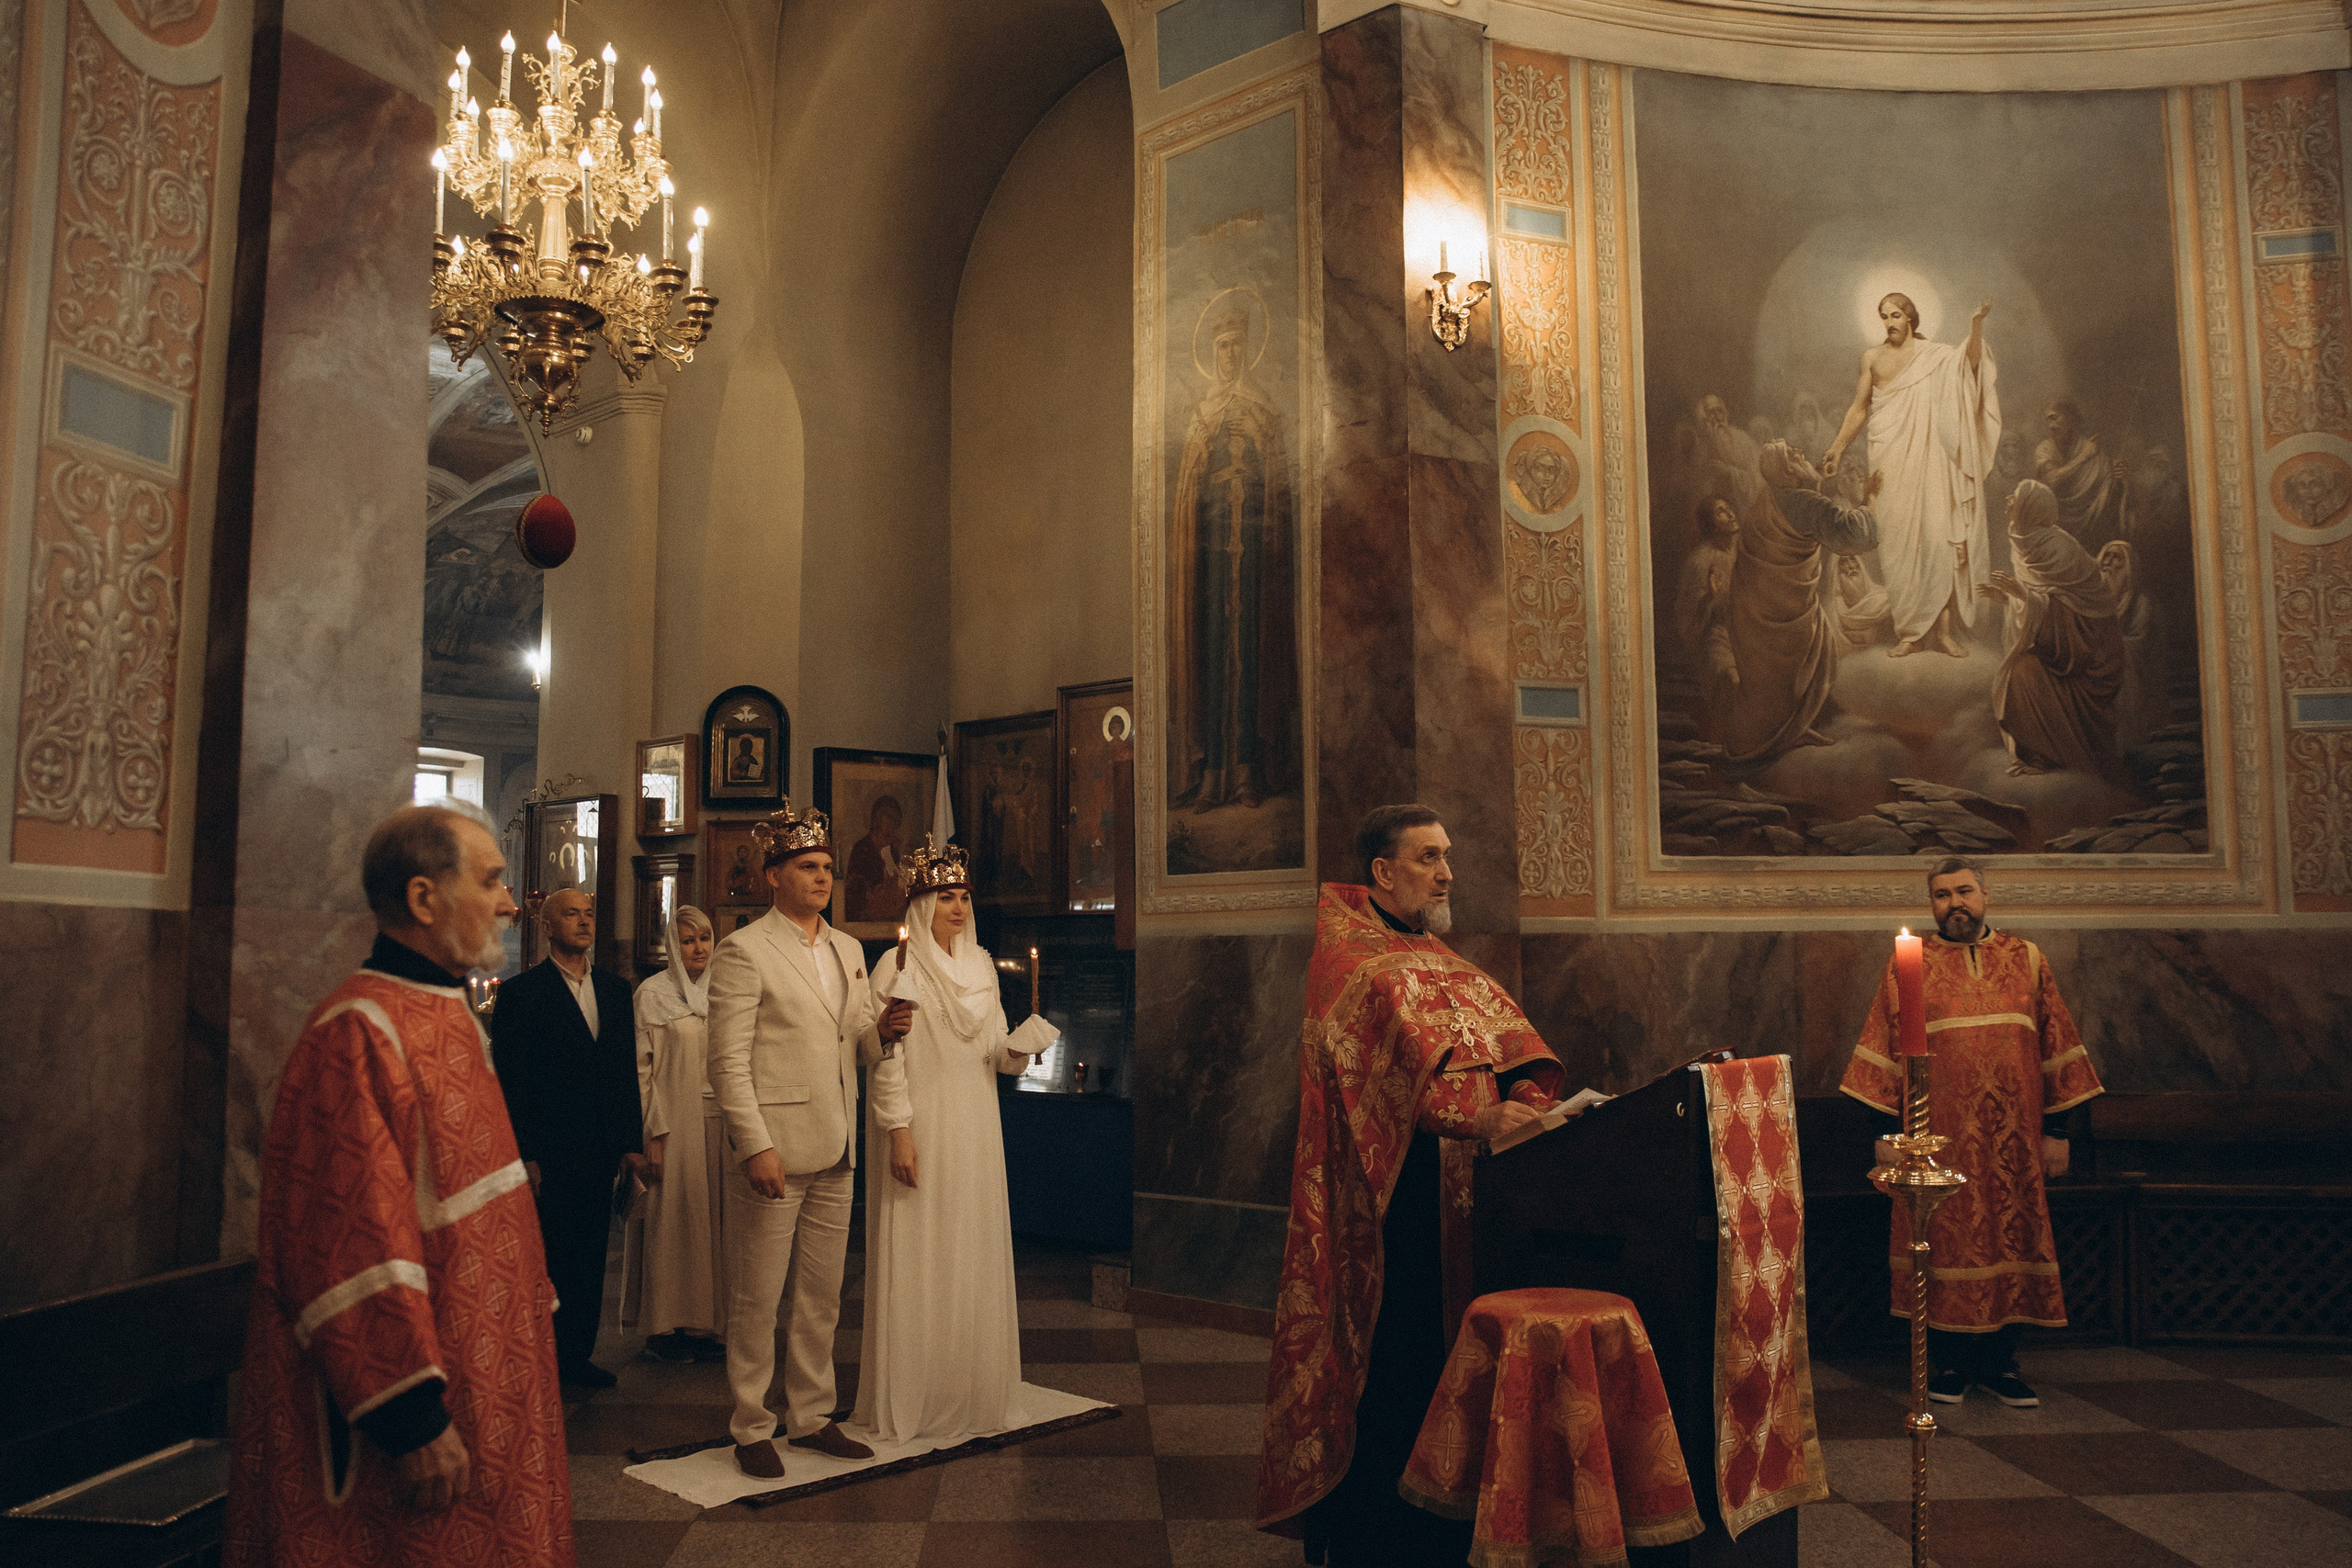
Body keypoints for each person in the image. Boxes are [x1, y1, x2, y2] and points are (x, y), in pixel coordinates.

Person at [226, 805, 572, 1566]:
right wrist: (410, 1416)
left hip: (487, 1381)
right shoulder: (358, 1030)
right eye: (491, 880)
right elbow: (347, 1238)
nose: (510, 902)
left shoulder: (446, 1009)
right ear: (423, 898)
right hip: (416, 1406)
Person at [1258, 806, 1576, 1566]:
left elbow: (1507, 1043)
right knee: (1401, 1358)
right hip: (1390, 1203)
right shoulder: (1350, 960)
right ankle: (1386, 1534)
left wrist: (1526, 1096)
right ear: (1383, 870)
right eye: (1429, 857)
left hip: (1466, 1195)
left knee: (1450, 1350)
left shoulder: (1437, 955)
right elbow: (1385, 1081)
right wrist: (1477, 1116)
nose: (1446, 872)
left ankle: (1450, 1519)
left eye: (1447, 855)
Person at [1839, 858, 2105, 1407]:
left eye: (1964, 891)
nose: (1954, 903)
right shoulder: (1909, 964)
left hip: (2016, 1141)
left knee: (2015, 1234)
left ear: (1986, 895)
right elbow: (1883, 1048)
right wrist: (1885, 1133)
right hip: (1939, 1141)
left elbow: (2057, 1045)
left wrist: (2058, 1132)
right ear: (1932, 904)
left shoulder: (2026, 958)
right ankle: (1950, 1364)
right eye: (1942, 895)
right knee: (1941, 1241)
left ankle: (2002, 1364)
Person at [706, 802, 913, 1478]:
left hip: (837, 1141)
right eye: (807, 866)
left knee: (822, 1294)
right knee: (758, 1294)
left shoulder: (848, 949)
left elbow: (853, 1043)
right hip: (775, 1144)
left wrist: (883, 1032)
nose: (823, 877)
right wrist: (754, 1144)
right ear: (774, 876)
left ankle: (813, 1416)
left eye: (827, 866)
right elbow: (727, 1062)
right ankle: (751, 1423)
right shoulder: (744, 950)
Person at [854, 838, 1046, 1440]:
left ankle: (968, 1385)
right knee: (923, 1246)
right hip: (923, 1120)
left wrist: (1023, 1047)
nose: (958, 908)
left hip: (976, 1123)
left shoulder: (983, 965)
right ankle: (920, 1388)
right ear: (921, 906)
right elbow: (887, 1059)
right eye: (945, 897)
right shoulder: (897, 968)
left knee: (971, 1245)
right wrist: (899, 1131)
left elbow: (994, 1051)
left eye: (964, 897)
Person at [492, 888, 647, 1388]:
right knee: (550, 1256)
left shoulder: (614, 990)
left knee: (591, 1256)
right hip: (550, 1149)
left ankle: (577, 1357)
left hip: (598, 1148)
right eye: (571, 914)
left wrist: (630, 1142)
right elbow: (511, 1081)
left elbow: (623, 1072)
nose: (583, 922)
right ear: (547, 927)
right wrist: (526, 1153)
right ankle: (543, 1360)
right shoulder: (522, 994)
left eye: (588, 914)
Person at [1170, 305, 1301, 811]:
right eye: (1222, 346)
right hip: (1212, 555)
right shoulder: (1201, 414)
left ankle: (1247, 770)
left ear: (1247, 350)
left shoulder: (1263, 409)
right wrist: (1205, 449)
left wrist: (1260, 449)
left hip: (1254, 553)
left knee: (1250, 652)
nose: (1229, 354)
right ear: (1213, 352)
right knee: (1213, 654)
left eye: (1236, 346)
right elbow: (1190, 489)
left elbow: (1280, 484)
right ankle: (1211, 773)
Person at [1824, 293, 2000, 658]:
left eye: (1896, 315)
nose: (1890, 322)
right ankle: (1910, 634)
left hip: (1931, 460)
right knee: (1897, 545)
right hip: (1889, 462)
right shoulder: (1872, 358)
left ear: (1910, 318)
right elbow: (1859, 409)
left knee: (1937, 542)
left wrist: (1975, 325)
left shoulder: (1935, 356)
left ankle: (1943, 633)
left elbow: (1970, 363)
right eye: (1885, 316)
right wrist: (1838, 447)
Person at [1721, 441, 1880, 762]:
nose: (1804, 456)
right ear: (1789, 471)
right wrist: (1871, 497)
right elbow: (1856, 536)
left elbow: (1805, 507)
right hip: (1783, 615)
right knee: (1782, 683)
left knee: (1795, 668)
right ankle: (1750, 757)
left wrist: (1815, 479)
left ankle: (1792, 732)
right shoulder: (1803, 504)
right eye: (1796, 456)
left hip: (1756, 609)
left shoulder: (1771, 498)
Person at [627, 906, 727, 1365]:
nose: (698, 948)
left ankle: (708, 1326)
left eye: (704, 938)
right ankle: (665, 1327)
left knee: (714, 1225)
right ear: (672, 946)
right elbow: (640, 1071)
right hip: (673, 1122)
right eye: (688, 941)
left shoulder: (726, 989)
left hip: (720, 1121)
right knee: (672, 1225)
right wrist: (652, 1132)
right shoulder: (652, 995)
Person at [1982, 479, 2132, 786]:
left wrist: (2021, 596)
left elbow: (2078, 616)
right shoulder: (2026, 544)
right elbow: (2043, 603)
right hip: (2062, 648)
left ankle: (2052, 758)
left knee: (2023, 673)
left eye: (2016, 496)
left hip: (2090, 657)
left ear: (2031, 508)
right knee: (2022, 671)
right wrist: (2010, 600)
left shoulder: (2059, 548)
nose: (2008, 499)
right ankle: (2039, 757)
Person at [1671, 495, 1741, 739]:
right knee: (1733, 680)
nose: (1730, 514)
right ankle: (1731, 743)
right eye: (1721, 511)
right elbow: (1687, 620)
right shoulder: (1700, 561)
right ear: (1712, 525)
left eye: (1729, 508)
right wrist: (1710, 597)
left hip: (1747, 631)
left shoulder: (1743, 551)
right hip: (1715, 637)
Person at [2033, 399, 2132, 551]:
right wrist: (2083, 457)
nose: (2051, 426)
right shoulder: (2045, 449)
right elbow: (2051, 480)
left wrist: (2118, 480)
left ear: (2070, 419)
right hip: (2054, 532)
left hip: (2090, 535)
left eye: (2055, 418)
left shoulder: (2097, 456)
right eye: (2048, 420)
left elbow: (2108, 498)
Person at [844, 794, 909, 925]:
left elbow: (897, 881)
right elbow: (855, 884)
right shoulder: (862, 848)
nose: (892, 823)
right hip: (868, 907)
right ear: (877, 819)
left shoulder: (893, 852)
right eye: (889, 817)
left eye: (895, 820)